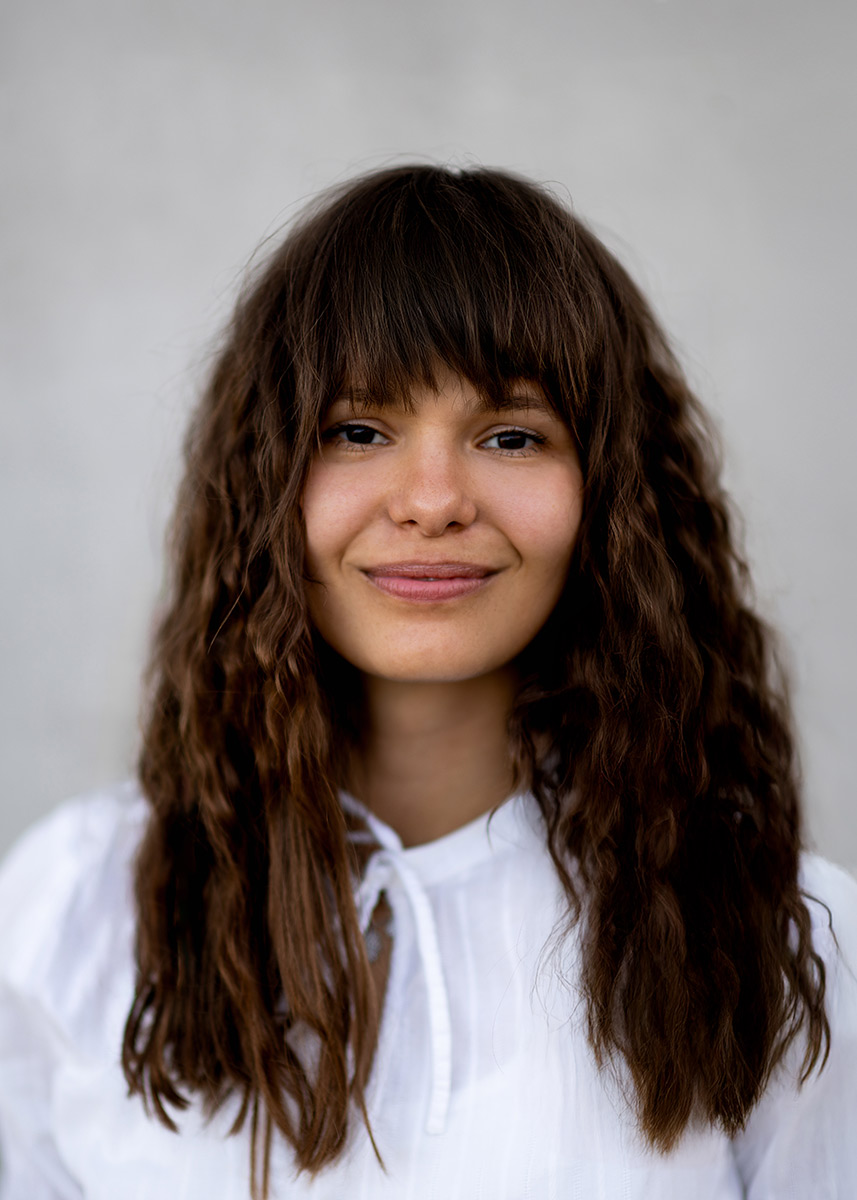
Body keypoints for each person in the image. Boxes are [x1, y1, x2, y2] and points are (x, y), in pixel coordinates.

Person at [0, 164, 855, 1200]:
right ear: (264, 478)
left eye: (511, 435)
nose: (433, 500)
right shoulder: (71, 913)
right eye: (358, 431)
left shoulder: (777, 937)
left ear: (610, 494)